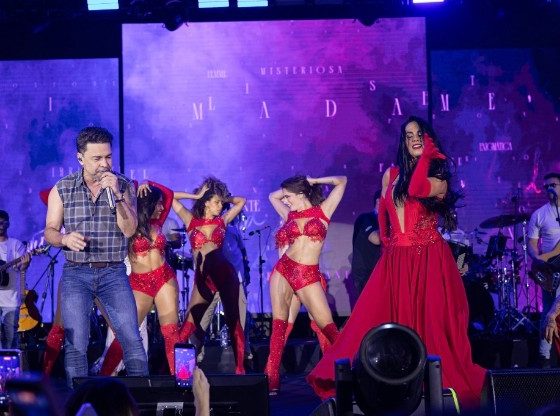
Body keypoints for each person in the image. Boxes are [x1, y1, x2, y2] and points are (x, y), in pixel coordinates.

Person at [307, 116, 485, 407]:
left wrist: (427, 156)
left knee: (429, 324)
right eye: (408, 135)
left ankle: (430, 386)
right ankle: (387, 384)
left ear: (429, 139)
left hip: (428, 258)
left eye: (419, 134)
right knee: (372, 320)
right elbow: (383, 212)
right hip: (395, 258)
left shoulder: (439, 178)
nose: (413, 139)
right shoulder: (391, 174)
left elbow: (416, 190)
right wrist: (388, 242)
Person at [44, 126, 148, 385]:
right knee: (76, 345)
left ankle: (138, 402)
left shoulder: (123, 185)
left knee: (132, 340)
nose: (105, 164)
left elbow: (129, 230)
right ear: (80, 158)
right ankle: (79, 403)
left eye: (108, 157)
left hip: (113, 273)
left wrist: (118, 196)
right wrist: (64, 239)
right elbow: (50, 231)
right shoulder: (63, 188)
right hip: (76, 274)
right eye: (97, 158)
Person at [266, 174, 347, 392]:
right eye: (285, 197)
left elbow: (342, 181)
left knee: (328, 327)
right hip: (284, 270)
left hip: (307, 274)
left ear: (301, 194)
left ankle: (343, 373)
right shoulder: (289, 214)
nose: (285, 200)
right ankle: (271, 379)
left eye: (288, 196)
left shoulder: (324, 211)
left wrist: (313, 181)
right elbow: (272, 196)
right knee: (279, 326)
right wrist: (288, 189)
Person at [99, 180, 186, 375]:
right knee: (126, 335)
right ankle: (102, 379)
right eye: (158, 204)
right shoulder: (128, 225)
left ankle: (182, 380)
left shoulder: (158, 223)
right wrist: (136, 186)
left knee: (171, 332)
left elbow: (169, 193)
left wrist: (149, 182)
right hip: (140, 283)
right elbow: (126, 189)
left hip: (164, 278)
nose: (162, 207)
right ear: (148, 204)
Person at [172, 177, 247, 374]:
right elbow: (171, 197)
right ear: (205, 202)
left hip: (225, 273)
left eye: (222, 202)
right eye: (216, 202)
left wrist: (223, 197)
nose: (221, 206)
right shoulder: (190, 220)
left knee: (234, 322)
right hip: (203, 277)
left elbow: (242, 201)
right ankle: (181, 373)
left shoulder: (223, 220)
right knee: (189, 325)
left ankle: (240, 371)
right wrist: (196, 196)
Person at [528, 172, 560, 367]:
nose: (549, 189)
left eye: (553, 185)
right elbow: (532, 244)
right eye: (546, 186)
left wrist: (548, 256)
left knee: (555, 310)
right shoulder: (539, 214)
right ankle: (544, 356)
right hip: (550, 271)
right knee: (548, 311)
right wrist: (537, 258)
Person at [0, 210, 31, 349]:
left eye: (3, 222)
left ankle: (10, 363)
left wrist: (24, 264)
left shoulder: (16, 244)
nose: (0, 225)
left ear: (8, 224)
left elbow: (21, 267)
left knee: (10, 338)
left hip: (10, 300)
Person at [350, 189, 382, 296]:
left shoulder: (386, 221)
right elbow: (376, 239)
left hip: (380, 273)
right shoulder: (365, 218)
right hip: (366, 275)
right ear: (379, 201)